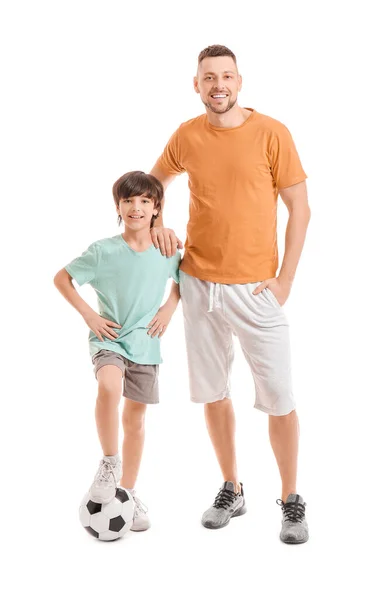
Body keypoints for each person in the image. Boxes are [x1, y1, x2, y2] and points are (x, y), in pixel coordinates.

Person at [150, 45, 310, 543]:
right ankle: (232, 488)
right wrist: (160, 225)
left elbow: (299, 209)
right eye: (208, 78)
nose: (218, 85)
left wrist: (284, 281)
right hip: (199, 285)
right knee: (214, 393)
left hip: (257, 288)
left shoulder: (272, 133)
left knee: (280, 398)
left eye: (226, 76)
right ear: (195, 86)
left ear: (239, 82)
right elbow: (153, 183)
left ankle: (290, 500)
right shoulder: (187, 135)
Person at [54, 171, 181, 532]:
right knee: (109, 387)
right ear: (118, 207)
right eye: (128, 201)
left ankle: (127, 491)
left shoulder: (166, 248)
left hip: (146, 341)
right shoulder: (102, 250)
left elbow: (184, 279)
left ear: (157, 207)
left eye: (144, 201)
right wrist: (89, 314)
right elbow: (62, 278)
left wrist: (169, 308)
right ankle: (110, 463)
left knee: (135, 421)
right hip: (109, 337)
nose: (136, 207)